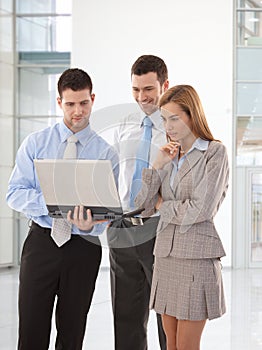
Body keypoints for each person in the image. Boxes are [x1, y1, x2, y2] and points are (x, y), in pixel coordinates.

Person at [6, 68, 119, 350]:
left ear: (92, 99)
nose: (77, 111)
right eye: (70, 104)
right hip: (42, 243)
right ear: (59, 102)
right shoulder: (35, 144)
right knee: (31, 328)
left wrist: (90, 225)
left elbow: (109, 212)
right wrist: (50, 200)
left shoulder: (107, 154)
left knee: (72, 330)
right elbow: (14, 193)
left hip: (83, 248)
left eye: (84, 103)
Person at [135, 84, 229, 350]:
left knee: (187, 346)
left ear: (192, 115)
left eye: (174, 118)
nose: (169, 126)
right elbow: (142, 207)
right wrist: (156, 166)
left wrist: (162, 205)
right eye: (164, 119)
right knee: (171, 345)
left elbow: (201, 210)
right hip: (165, 257)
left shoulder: (214, 153)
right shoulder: (168, 155)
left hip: (196, 259)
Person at [108, 55, 169, 350]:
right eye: (135, 90)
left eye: (148, 89)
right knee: (126, 317)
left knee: (168, 317)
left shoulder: (176, 125)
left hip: (160, 229)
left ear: (164, 85)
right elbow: (114, 170)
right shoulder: (124, 123)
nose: (141, 97)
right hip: (122, 226)